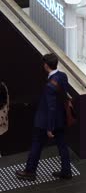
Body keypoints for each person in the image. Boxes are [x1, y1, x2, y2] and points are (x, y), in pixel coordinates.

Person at [16, 53, 72, 181]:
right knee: (62, 145)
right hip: (61, 118)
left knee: (36, 144)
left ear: (46, 65)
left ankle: (30, 171)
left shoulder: (49, 86)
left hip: (46, 122)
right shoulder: (63, 76)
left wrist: (49, 128)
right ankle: (66, 171)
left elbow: (51, 108)